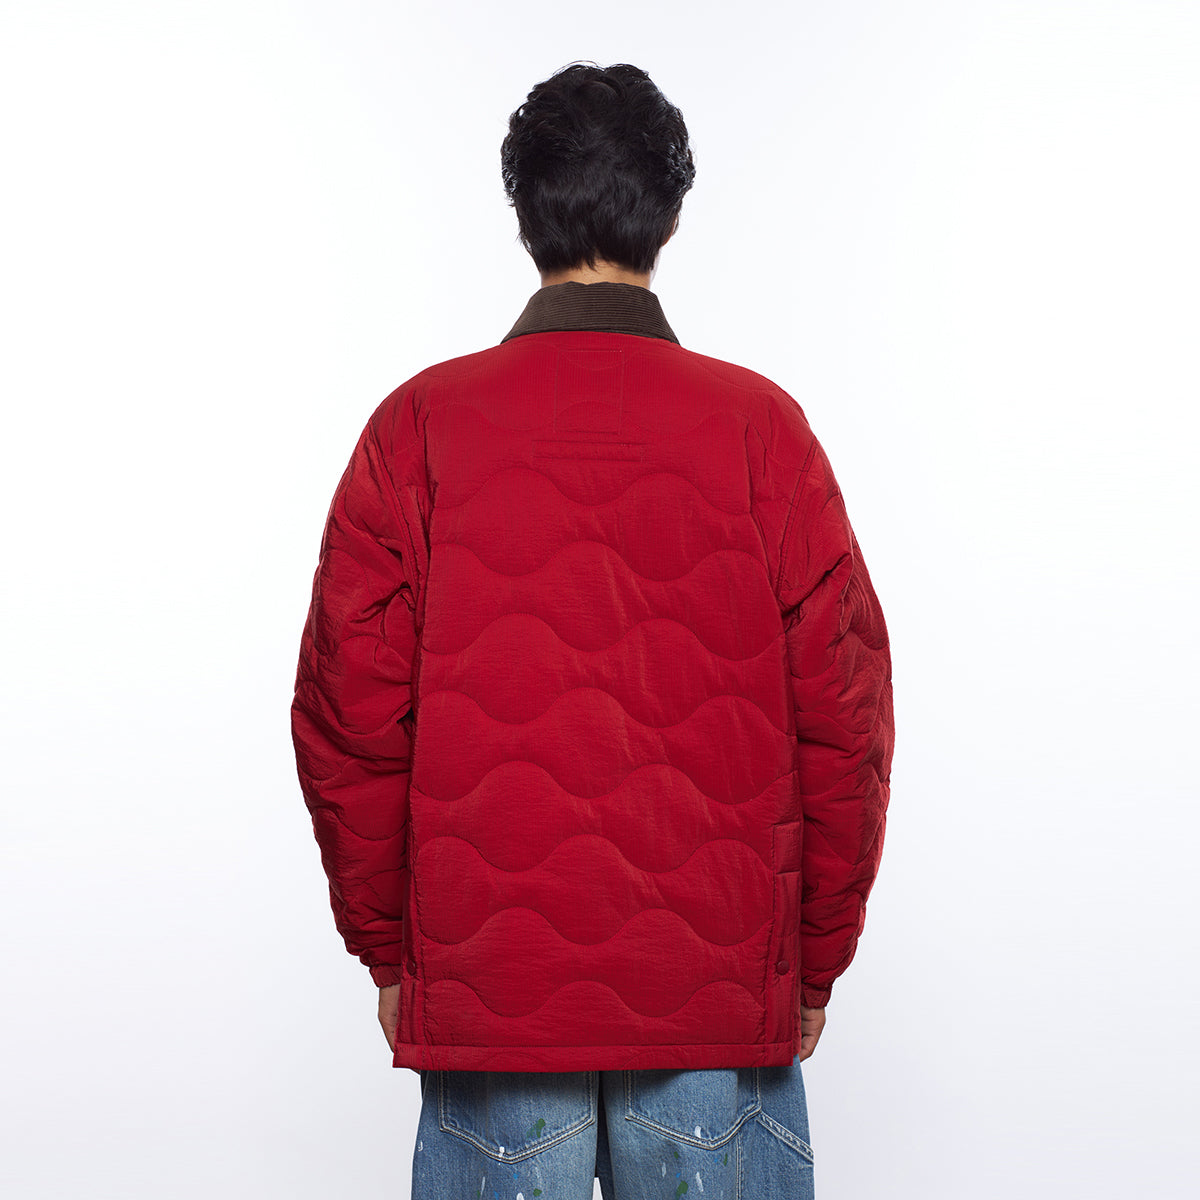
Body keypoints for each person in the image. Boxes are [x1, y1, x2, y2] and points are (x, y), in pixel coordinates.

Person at [291, 60, 894, 1199]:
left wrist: (391, 950)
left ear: (524, 214)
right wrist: (811, 961)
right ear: (670, 216)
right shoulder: (765, 432)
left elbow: (345, 716)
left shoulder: (418, 427)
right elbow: (847, 717)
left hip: (494, 993)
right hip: (716, 989)